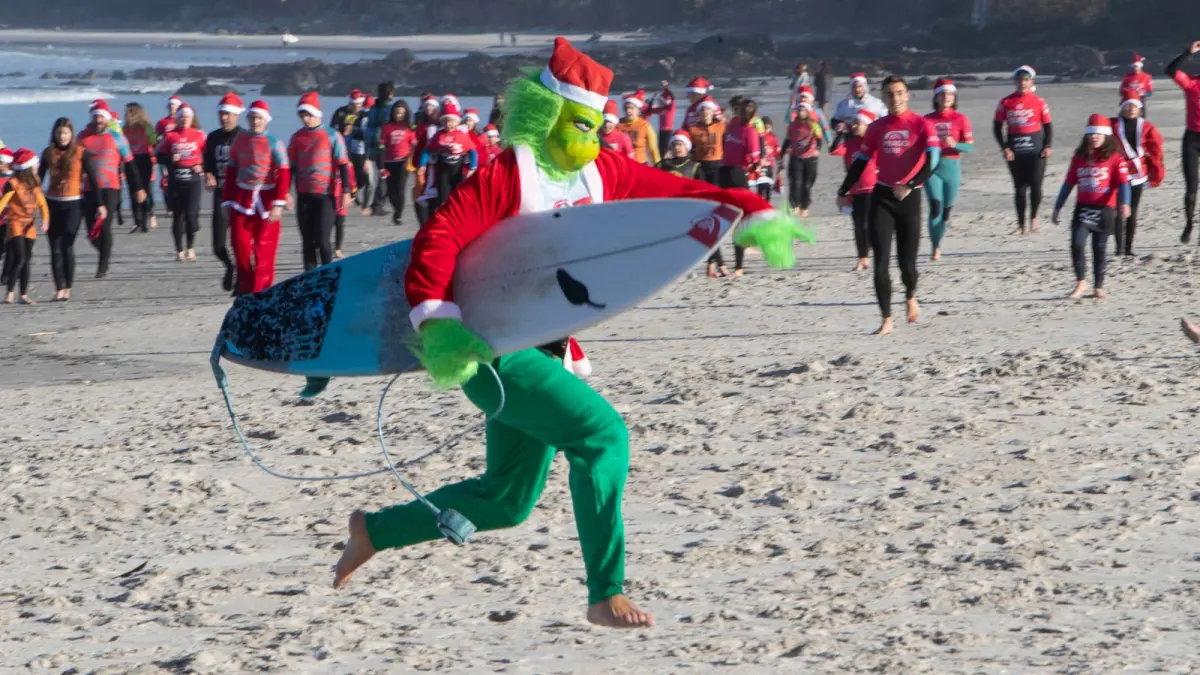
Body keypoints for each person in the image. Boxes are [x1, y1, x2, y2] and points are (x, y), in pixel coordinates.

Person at [331, 37, 811, 629]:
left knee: (506, 501)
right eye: (582, 123)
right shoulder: (512, 173)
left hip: (548, 349)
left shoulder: (601, 170)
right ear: (549, 114)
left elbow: (680, 192)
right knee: (603, 436)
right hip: (491, 351)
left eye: (599, 125)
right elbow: (440, 237)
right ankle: (604, 592)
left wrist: (749, 209)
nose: (594, 136)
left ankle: (374, 530)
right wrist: (439, 323)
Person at [838, 76, 940, 335]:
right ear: (883, 98)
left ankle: (910, 295)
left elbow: (933, 162)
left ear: (907, 95)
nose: (895, 98)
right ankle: (886, 319)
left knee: (907, 265)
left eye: (899, 93)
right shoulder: (876, 128)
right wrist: (843, 189)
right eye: (889, 94)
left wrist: (910, 185)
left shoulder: (922, 124)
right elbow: (860, 161)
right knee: (881, 261)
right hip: (881, 197)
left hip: (910, 198)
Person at [1051, 114, 1131, 300]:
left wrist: (1125, 203)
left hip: (1104, 210)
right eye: (1091, 134)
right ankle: (1081, 281)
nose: (1094, 137)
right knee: (1077, 243)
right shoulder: (1079, 157)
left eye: (1098, 134)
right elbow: (1068, 183)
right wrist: (1057, 207)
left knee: (1099, 248)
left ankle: (1098, 287)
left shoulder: (1115, 159)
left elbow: (1124, 183)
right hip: (1083, 209)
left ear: (1105, 136)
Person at [220, 100, 291, 295]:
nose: (255, 121)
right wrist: (226, 201)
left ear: (266, 120)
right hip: (242, 200)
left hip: (267, 201)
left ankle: (262, 291)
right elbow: (231, 172)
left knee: (264, 250)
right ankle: (246, 286)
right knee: (239, 246)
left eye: (259, 118)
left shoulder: (275, 143)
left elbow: (284, 173)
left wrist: (279, 203)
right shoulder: (240, 141)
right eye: (252, 118)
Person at [288, 92, 356, 271]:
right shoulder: (297, 138)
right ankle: (309, 278)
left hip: (326, 195)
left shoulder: (332, 136)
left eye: (308, 114)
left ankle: (328, 272)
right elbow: (290, 168)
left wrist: (347, 192)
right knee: (307, 241)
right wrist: (286, 192)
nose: (305, 119)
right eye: (302, 115)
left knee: (322, 239)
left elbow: (343, 165)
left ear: (317, 113)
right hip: (304, 195)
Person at [79, 99, 146, 279]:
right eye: (96, 117)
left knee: (105, 225)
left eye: (101, 117)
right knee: (91, 232)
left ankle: (103, 265)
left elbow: (130, 165)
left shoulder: (117, 137)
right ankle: (105, 251)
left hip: (111, 188)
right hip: (88, 189)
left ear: (107, 119)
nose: (98, 120)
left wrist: (138, 188)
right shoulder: (82, 137)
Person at [40, 118, 100, 301]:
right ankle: (59, 288)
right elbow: (37, 180)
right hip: (52, 203)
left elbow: (94, 180)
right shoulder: (48, 153)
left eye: (65, 133)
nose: (62, 136)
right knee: (54, 247)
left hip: (74, 203)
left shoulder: (81, 153)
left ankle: (68, 286)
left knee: (67, 244)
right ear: (54, 134)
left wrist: (101, 204)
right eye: (59, 133)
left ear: (71, 134)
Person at [994, 65, 1053, 235]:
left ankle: (1034, 217)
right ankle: (1021, 225)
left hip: (1036, 149)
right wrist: (1004, 147)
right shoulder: (1006, 102)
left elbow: (1048, 126)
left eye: (1026, 80)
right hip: (1015, 149)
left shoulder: (1039, 101)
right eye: (1019, 80)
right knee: (1019, 187)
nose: (1022, 83)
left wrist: (1048, 145)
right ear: (1015, 82)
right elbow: (997, 128)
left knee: (1036, 184)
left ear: (1031, 82)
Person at [925, 78, 974, 261]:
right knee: (935, 208)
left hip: (952, 167)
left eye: (950, 94)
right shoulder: (926, 120)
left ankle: (939, 237)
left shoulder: (961, 119)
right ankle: (935, 247)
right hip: (932, 168)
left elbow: (970, 147)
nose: (946, 97)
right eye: (943, 94)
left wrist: (956, 144)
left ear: (954, 98)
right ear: (936, 97)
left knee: (946, 211)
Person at [714, 97, 762, 278]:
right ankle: (739, 267)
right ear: (753, 115)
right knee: (740, 222)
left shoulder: (732, 125)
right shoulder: (750, 131)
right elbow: (754, 158)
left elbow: (727, 145)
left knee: (724, 218)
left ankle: (718, 262)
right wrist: (756, 167)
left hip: (723, 171)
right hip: (737, 174)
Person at [1110, 97, 1164, 256]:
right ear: (1122, 108)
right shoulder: (1112, 124)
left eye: (1135, 106)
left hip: (1139, 170)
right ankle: (1118, 248)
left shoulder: (1146, 126)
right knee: (1119, 209)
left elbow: (1156, 148)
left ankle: (1129, 248)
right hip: (1119, 169)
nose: (1131, 109)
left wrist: (1157, 168)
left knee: (1133, 209)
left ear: (1139, 109)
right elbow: (1097, 135)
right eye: (1128, 106)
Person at [204, 93, 245, 292]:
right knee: (217, 245)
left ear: (237, 115)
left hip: (240, 195)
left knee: (240, 242)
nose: (224, 117)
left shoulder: (245, 137)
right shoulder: (213, 137)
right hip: (221, 194)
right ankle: (230, 266)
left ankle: (241, 280)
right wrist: (208, 175)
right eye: (221, 114)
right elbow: (207, 165)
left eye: (228, 114)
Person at [830, 109, 878, 272]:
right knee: (859, 226)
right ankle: (862, 258)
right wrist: (840, 133)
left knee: (870, 225)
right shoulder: (850, 144)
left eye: (858, 123)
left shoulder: (874, 143)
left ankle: (872, 250)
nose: (854, 126)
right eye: (854, 123)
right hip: (855, 191)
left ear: (868, 125)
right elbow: (833, 150)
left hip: (873, 189)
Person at [1, 149, 48, 305]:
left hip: (30, 225)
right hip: (15, 223)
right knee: (19, 258)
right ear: (28, 167)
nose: (37, 168)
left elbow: (42, 204)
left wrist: (45, 220)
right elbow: (3, 202)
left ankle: (23, 294)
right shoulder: (13, 184)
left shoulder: (34, 184)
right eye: (35, 165)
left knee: (27, 260)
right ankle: (9, 293)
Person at [161, 104, 206, 262]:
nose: (184, 119)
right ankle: (179, 250)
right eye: (182, 116)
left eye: (187, 117)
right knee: (178, 217)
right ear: (177, 118)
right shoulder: (170, 136)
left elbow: (208, 156)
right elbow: (158, 156)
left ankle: (191, 247)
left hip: (193, 181)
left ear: (192, 118)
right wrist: (169, 159)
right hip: (175, 181)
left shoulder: (199, 135)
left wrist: (202, 166)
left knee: (191, 216)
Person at [416, 99, 478, 214]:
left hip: (456, 169)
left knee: (456, 197)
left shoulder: (462, 135)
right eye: (446, 121)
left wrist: (472, 168)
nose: (449, 124)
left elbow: (472, 151)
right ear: (442, 122)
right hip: (442, 169)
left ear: (457, 122)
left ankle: (456, 217)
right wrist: (422, 165)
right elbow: (427, 150)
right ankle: (444, 217)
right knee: (443, 198)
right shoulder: (438, 135)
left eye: (452, 121)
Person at [1166, 41, 1200, 243]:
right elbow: (1170, 70)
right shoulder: (1191, 84)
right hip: (1192, 139)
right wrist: (1189, 52)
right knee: (1191, 188)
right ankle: (1189, 224)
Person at [122, 103, 158, 233]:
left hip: (144, 159)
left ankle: (144, 219)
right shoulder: (125, 128)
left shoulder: (146, 127)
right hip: (130, 161)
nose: (126, 115)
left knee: (145, 189)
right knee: (132, 191)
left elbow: (154, 141)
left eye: (129, 113)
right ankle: (137, 221)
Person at [782, 102, 822, 216]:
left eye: (803, 110)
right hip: (796, 156)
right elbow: (788, 139)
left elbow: (819, 139)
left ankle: (804, 207)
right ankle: (794, 206)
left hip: (810, 158)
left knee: (807, 184)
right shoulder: (793, 125)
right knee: (796, 182)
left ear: (808, 112)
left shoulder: (814, 125)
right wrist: (782, 152)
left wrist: (817, 149)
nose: (801, 112)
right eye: (799, 110)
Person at [380, 100, 415, 225]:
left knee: (400, 188)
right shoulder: (386, 128)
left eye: (401, 113)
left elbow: (413, 144)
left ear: (405, 114)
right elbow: (382, 144)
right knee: (390, 190)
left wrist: (412, 159)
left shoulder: (409, 128)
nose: (398, 115)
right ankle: (396, 208)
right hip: (388, 162)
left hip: (403, 162)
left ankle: (398, 214)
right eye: (396, 113)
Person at [364, 84, 395, 216]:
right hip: (382, 145)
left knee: (378, 175)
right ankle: (378, 205)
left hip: (370, 145)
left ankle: (376, 203)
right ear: (390, 93)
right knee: (384, 175)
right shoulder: (388, 108)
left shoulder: (372, 108)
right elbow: (388, 126)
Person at [686, 97, 724, 187]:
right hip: (700, 163)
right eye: (702, 110)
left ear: (712, 112)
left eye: (708, 109)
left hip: (717, 162)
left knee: (716, 189)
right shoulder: (693, 129)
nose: (705, 112)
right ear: (699, 113)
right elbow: (688, 146)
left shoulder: (721, 126)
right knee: (702, 188)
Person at [618, 90, 661, 166]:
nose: (628, 111)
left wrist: (658, 166)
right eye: (626, 108)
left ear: (638, 109)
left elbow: (653, 149)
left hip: (640, 164)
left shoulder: (645, 126)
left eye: (631, 108)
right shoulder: (617, 125)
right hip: (623, 165)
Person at [646, 81, 676, 156]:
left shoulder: (670, 108)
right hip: (661, 131)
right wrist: (652, 100)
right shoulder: (660, 109)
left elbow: (672, 97)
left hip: (668, 131)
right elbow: (650, 110)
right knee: (661, 150)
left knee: (667, 150)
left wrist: (666, 87)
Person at [757, 117, 780, 203]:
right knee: (760, 185)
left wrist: (779, 161)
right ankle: (759, 203)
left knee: (768, 186)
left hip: (769, 165)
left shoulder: (773, 138)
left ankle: (767, 203)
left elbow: (777, 150)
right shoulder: (758, 136)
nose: (766, 130)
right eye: (765, 127)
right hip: (760, 165)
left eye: (768, 127)